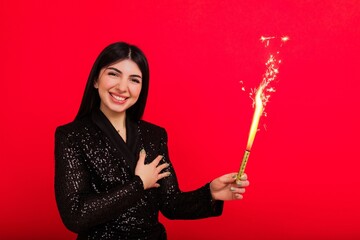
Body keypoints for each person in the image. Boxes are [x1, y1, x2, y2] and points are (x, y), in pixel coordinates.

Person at [54, 42, 249, 240]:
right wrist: (138, 184)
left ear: (141, 88)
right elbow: (75, 215)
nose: (122, 87)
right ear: (96, 80)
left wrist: (210, 193)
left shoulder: (154, 135)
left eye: (134, 80)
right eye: (114, 74)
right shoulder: (71, 136)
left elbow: (170, 203)